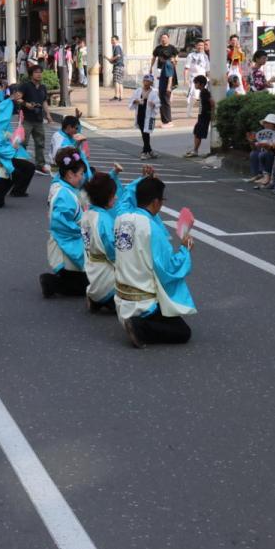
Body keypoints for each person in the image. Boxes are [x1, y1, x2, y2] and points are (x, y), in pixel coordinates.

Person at [113, 177, 196, 348]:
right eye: (162, 200)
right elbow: (169, 269)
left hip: (121, 299)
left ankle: (136, 324)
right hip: (143, 304)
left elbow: (125, 199)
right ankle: (140, 327)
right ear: (156, 202)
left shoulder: (121, 218)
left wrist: (142, 178)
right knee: (183, 332)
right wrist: (185, 249)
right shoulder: (152, 228)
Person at [81, 165, 153, 313]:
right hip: (107, 277)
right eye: (113, 195)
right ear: (105, 197)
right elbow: (114, 251)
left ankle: (96, 299)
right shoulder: (104, 220)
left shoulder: (88, 214)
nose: (116, 197)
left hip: (93, 268)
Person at [40, 149, 89, 299]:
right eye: (80, 174)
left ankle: (57, 280)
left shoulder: (62, 186)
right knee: (87, 286)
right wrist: (84, 231)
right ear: (69, 174)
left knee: (89, 282)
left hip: (65, 244)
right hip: (65, 247)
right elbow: (61, 224)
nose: (82, 177)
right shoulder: (64, 194)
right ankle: (52, 283)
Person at [19, 65, 53, 174]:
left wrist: (48, 114)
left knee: (40, 143)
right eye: (36, 72)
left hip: (38, 119)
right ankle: (21, 163)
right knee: (23, 143)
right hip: (27, 119)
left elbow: (44, 101)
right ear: (31, 74)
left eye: (40, 72)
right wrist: (26, 104)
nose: (39, 74)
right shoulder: (26, 86)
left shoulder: (43, 87)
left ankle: (40, 165)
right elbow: (17, 98)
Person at [130, 74, 161, 160]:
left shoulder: (153, 93)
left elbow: (158, 104)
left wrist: (154, 104)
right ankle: (149, 151)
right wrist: (135, 101)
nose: (146, 83)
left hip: (149, 116)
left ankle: (145, 152)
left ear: (151, 83)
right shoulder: (138, 91)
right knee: (144, 133)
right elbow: (132, 100)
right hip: (140, 114)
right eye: (145, 81)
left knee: (146, 133)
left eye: (148, 81)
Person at [245, 113, 275, 186]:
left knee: (265, 154)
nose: (265, 125)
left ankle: (267, 176)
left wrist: (266, 145)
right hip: (266, 151)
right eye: (265, 123)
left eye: (268, 123)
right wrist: (251, 141)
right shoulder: (264, 133)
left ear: (274, 124)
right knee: (254, 153)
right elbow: (256, 148)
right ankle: (257, 175)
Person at [150, 33, 178, 125]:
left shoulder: (172, 48)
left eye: (165, 38)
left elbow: (176, 56)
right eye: (162, 38)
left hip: (168, 69)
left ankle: (168, 118)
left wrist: (175, 61)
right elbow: (153, 58)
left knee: (166, 92)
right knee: (160, 90)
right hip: (160, 70)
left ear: (168, 39)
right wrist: (151, 67)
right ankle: (163, 100)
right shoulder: (158, 48)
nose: (163, 39)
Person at [186, 75, 213, 158]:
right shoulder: (202, 92)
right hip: (201, 116)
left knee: (198, 133)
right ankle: (195, 149)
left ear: (201, 84)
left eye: (196, 83)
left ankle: (195, 150)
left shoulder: (205, 92)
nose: (195, 85)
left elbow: (212, 102)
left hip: (204, 116)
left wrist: (212, 113)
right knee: (196, 132)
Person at [183, 40, 210, 118]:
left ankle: (202, 112)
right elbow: (186, 68)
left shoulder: (205, 56)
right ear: (195, 46)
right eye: (199, 45)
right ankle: (189, 110)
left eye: (202, 45)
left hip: (203, 78)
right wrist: (185, 79)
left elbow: (207, 69)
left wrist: (209, 78)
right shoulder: (191, 55)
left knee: (203, 96)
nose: (200, 47)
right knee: (195, 95)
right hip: (194, 78)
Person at [109, 35, 125, 101]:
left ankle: (117, 95)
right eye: (111, 40)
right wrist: (112, 60)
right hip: (121, 66)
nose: (112, 41)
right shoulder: (117, 47)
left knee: (116, 82)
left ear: (117, 40)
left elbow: (118, 55)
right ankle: (121, 96)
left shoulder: (117, 47)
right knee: (120, 82)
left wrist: (111, 59)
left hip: (118, 66)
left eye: (113, 40)